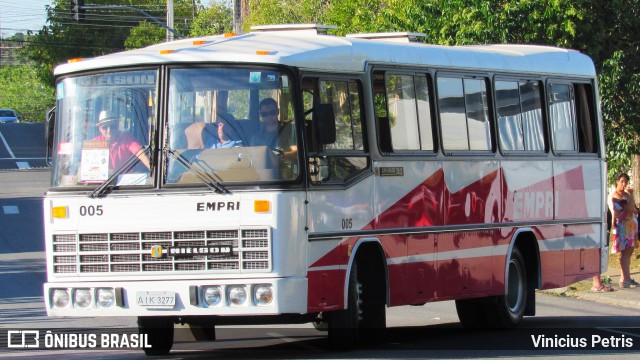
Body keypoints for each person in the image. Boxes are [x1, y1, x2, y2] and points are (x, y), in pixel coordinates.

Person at [608, 172, 639, 288]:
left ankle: (625, 277)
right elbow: (619, 213)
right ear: (617, 182)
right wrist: (629, 208)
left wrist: (631, 195)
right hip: (622, 227)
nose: (624, 184)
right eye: (622, 181)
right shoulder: (615, 196)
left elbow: (633, 209)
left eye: (625, 181)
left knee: (629, 251)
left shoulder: (627, 194)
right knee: (624, 251)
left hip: (631, 227)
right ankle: (626, 278)